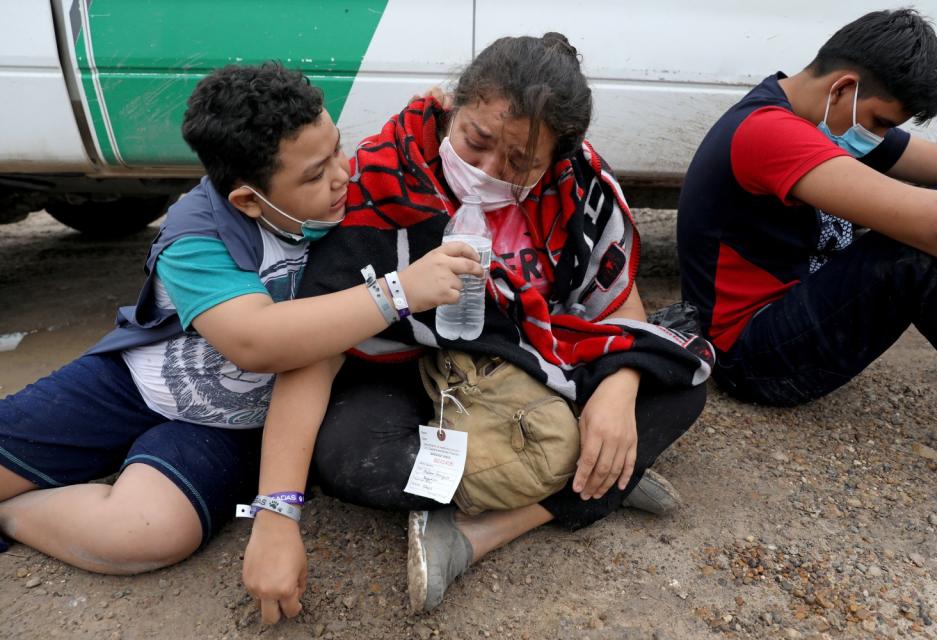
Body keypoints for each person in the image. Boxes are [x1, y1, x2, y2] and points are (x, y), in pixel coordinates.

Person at [243, 34, 714, 619]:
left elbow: (620, 313)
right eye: (476, 140)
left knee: (680, 382)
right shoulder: (377, 185)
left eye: (520, 164)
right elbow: (315, 357)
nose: (487, 171)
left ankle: (481, 531)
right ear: (449, 105)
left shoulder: (578, 189)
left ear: (557, 160)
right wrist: (276, 513)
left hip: (534, 371)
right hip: (408, 380)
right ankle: (601, 477)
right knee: (350, 455)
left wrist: (618, 393)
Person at [0, 63, 482, 576]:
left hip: (240, 427)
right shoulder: (194, 236)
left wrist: (439, 111)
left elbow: (422, 134)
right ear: (249, 200)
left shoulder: (350, 192)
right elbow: (257, 341)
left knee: (144, 532)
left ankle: (14, 516)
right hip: (130, 385)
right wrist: (399, 292)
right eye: (316, 174)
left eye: (338, 147)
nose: (344, 174)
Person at [677, 8, 937, 407]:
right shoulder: (768, 131)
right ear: (843, 88)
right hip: (750, 353)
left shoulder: (828, 117)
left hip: (798, 309)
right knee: (914, 251)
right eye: (879, 121)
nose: (878, 137)